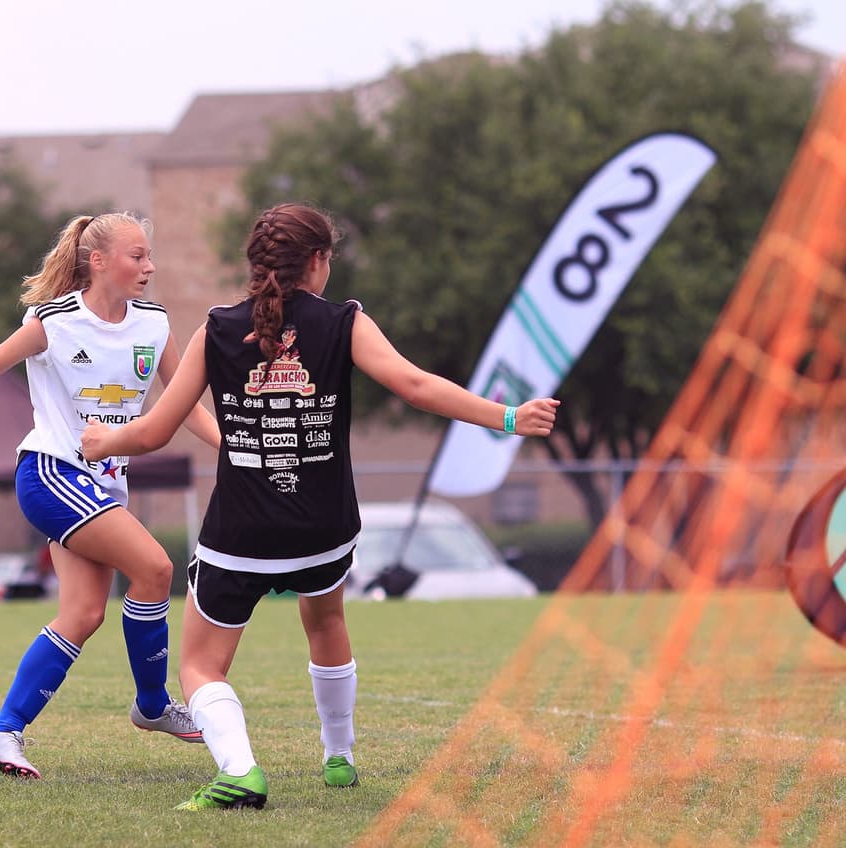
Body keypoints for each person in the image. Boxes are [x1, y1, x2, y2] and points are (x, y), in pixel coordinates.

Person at [81, 202, 559, 811]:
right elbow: (414, 385)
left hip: (240, 534)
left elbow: (154, 432)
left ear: (256, 264)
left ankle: (241, 770)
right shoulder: (345, 322)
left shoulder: (216, 329)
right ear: (318, 261)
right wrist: (509, 417)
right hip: (324, 530)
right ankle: (340, 755)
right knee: (326, 621)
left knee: (201, 666)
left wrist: (105, 440)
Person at [0, 211, 221, 779]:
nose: (149, 266)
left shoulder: (156, 325)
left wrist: (231, 451)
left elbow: (183, 404)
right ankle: (153, 704)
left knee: (85, 613)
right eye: (137, 255)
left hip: (104, 487)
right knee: (157, 569)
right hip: (50, 472)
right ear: (98, 261)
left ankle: (2, 732)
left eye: (149, 255)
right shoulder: (51, 321)